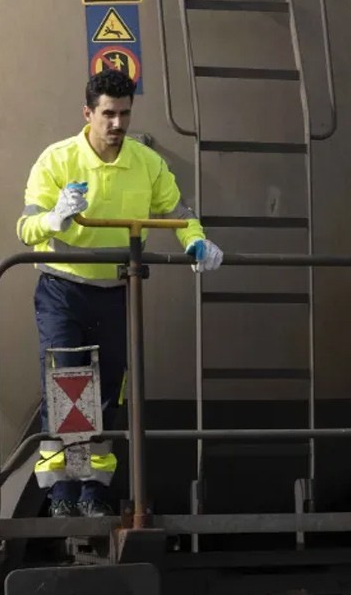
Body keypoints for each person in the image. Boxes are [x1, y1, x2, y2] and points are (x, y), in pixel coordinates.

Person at [16, 69, 223, 518]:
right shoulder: (57, 160)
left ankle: (93, 492)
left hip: (115, 290)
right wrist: (55, 218)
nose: (117, 123)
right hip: (63, 290)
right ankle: (62, 493)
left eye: (124, 114)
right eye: (108, 114)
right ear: (87, 113)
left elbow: (178, 212)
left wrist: (196, 241)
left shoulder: (145, 163)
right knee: (69, 387)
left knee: (111, 391)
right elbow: (26, 228)